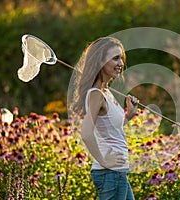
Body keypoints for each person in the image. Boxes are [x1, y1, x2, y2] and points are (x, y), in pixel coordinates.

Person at [68, 37, 138, 200]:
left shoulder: (106, 92)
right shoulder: (96, 95)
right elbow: (86, 133)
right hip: (110, 174)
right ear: (100, 61)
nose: (121, 63)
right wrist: (105, 160)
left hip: (118, 173)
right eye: (115, 58)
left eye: (121, 58)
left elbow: (109, 129)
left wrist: (129, 115)